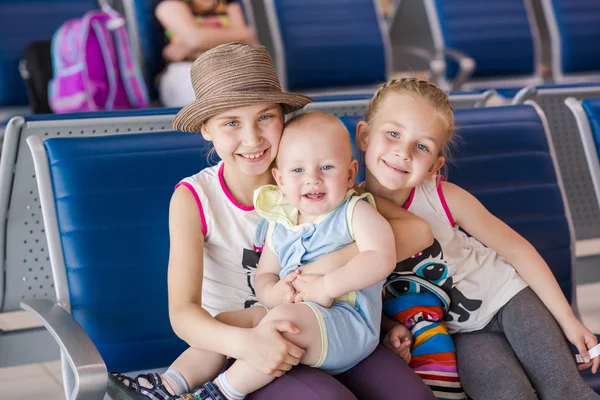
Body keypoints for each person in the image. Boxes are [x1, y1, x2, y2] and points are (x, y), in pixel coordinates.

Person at [107, 43, 437, 400]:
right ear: (205, 128)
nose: (252, 138)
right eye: (231, 122)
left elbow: (416, 233)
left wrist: (321, 277)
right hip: (241, 342)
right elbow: (183, 313)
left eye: (265, 116)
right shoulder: (194, 198)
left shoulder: (317, 179)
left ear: (283, 116)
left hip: (326, 322)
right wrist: (249, 343)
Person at [356, 77, 600, 399]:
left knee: (563, 389)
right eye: (393, 134)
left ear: (434, 166)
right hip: (460, 332)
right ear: (363, 135)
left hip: (510, 298)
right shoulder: (348, 213)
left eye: (422, 146)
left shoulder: (444, 197)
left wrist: (568, 320)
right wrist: (390, 328)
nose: (403, 152)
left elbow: (517, 249)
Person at [180, 110, 397, 399]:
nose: (313, 180)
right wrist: (273, 293)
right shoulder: (280, 221)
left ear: (350, 174)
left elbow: (382, 257)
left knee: (281, 323)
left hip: (346, 324)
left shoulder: (355, 211)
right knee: (224, 322)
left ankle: (220, 393)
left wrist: (327, 285)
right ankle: (169, 384)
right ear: (280, 181)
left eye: (327, 167)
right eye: (298, 171)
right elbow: (265, 274)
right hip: (290, 314)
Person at [155, 0, 256, 107]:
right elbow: (195, 38)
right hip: (188, 68)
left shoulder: (228, 4)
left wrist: (195, 45)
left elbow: (249, 36)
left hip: (228, 66)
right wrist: (234, 37)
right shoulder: (169, 4)